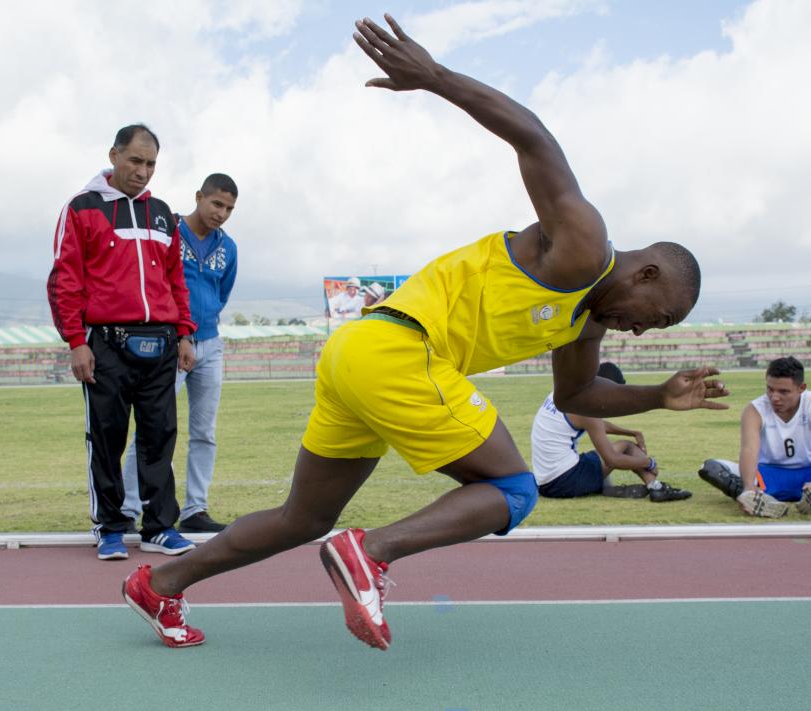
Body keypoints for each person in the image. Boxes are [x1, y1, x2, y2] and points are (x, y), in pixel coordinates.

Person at [122, 15, 726, 650]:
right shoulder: (584, 248)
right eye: (654, 318)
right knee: (515, 491)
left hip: (357, 356)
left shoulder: (584, 322)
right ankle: (370, 554)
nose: (638, 332)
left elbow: (578, 399)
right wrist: (435, 77)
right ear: (648, 273)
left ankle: (159, 584)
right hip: (399, 352)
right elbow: (536, 141)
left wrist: (657, 395)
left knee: (304, 517)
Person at [47, 123, 198, 561]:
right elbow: (64, 280)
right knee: (107, 438)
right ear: (113, 155)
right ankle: (110, 527)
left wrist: (184, 333)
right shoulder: (82, 208)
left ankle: (159, 527)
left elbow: (176, 280)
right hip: (106, 347)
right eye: (135, 160)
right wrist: (77, 341)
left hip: (162, 344)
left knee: (159, 438)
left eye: (151, 164)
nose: (143, 171)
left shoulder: (163, 214)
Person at [122, 174, 240, 536]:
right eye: (216, 204)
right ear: (199, 197)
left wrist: (201, 329)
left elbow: (221, 293)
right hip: (169, 345)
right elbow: (159, 285)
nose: (221, 213)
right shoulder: (169, 232)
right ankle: (128, 507)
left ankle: (195, 508)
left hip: (210, 344)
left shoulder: (229, 247)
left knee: (205, 432)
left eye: (229, 208)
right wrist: (179, 333)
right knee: (152, 428)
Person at [698, 356, 811, 518]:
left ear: (802, 388)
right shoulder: (754, 409)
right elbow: (749, 449)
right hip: (767, 475)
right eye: (770, 389)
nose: (774, 397)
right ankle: (756, 498)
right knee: (710, 467)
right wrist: (748, 485)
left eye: (783, 392)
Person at [532, 362, 692, 502]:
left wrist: (631, 432)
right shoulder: (587, 407)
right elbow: (612, 460)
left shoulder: (566, 392)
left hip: (545, 483)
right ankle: (656, 488)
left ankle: (603, 486)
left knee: (607, 450)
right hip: (565, 482)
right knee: (626, 447)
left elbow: (596, 425)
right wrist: (649, 463)